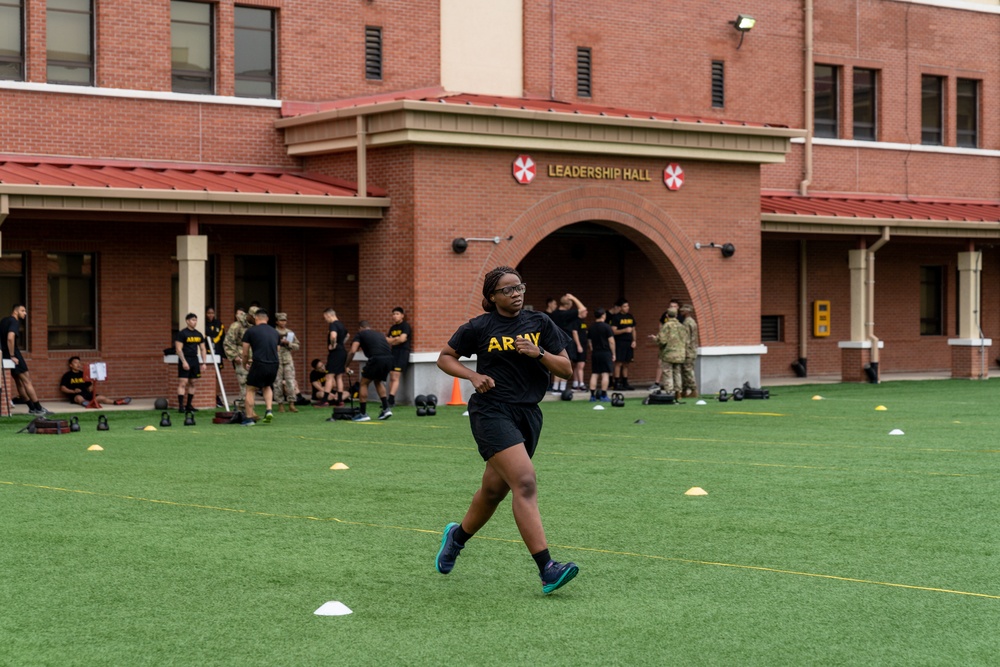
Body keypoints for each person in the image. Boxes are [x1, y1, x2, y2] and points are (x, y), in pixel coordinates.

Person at [435, 266, 579, 595]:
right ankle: (547, 569)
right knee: (525, 481)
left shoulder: (540, 323)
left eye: (519, 288)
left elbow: (567, 369)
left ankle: (457, 537)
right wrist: (471, 376)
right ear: (492, 297)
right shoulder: (479, 327)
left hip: (528, 414)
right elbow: (445, 358)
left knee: (493, 492)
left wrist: (538, 352)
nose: (517, 294)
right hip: (491, 411)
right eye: (508, 290)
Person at [0, 303, 50, 416]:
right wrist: (13, 355)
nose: (25, 313)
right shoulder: (14, 321)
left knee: (19, 381)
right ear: (16, 311)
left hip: (3, 355)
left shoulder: (3, 321)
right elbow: (10, 338)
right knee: (27, 381)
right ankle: (38, 408)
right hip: (13, 354)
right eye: (23, 311)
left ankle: (31, 407)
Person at [345, 320, 394, 421]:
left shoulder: (360, 334)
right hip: (389, 359)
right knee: (378, 381)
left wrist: (346, 365)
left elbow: (353, 351)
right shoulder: (379, 334)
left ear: (360, 328)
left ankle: (363, 414)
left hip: (376, 359)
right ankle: (386, 409)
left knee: (363, 383)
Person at [241, 309, 281, 425]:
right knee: (267, 386)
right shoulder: (275, 332)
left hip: (259, 363)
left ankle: (249, 418)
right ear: (267, 319)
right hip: (274, 363)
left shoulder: (250, 331)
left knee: (250, 388)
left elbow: (245, 352)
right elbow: (276, 350)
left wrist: (245, 364)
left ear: (256, 318)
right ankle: (269, 410)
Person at [59, 356, 131, 407]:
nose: (78, 364)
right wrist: (73, 391)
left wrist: (92, 385)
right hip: (76, 395)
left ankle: (116, 402)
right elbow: (63, 388)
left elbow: (90, 387)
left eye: (79, 363)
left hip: (87, 394)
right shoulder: (67, 375)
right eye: (75, 363)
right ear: (71, 365)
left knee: (101, 398)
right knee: (79, 398)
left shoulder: (83, 374)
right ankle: (86, 403)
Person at [548, 293, 585, 393]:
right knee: (565, 364)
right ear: (568, 305)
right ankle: (562, 388)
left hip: (556, 341)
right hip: (566, 341)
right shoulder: (567, 313)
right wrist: (573, 297)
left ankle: (556, 387)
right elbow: (583, 309)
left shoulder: (554, 313)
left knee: (557, 363)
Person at [174, 312, 208, 413]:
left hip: (195, 360)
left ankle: (189, 405)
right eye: (193, 320)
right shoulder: (182, 333)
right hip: (185, 359)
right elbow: (178, 349)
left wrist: (204, 362)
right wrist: (184, 362)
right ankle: (181, 406)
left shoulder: (198, 334)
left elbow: (203, 349)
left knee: (193, 382)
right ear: (187, 321)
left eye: (196, 320)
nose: (195, 322)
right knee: (183, 383)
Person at [655, 307, 688, 398]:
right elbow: (686, 339)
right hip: (680, 354)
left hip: (669, 353)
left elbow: (662, 340)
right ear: (676, 315)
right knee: (677, 373)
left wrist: (655, 339)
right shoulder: (682, 326)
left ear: (667, 315)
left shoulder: (666, 325)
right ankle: (678, 392)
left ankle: (669, 392)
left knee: (667, 372)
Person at [223, 307, 250, 412]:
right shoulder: (236, 326)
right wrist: (235, 356)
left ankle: (248, 407)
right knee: (244, 383)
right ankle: (243, 409)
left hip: (253, 358)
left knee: (251, 385)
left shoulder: (252, 326)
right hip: (241, 357)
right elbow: (228, 342)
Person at [272, 313, 301, 413]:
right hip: (277, 359)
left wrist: (289, 343)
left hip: (288, 359)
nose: (283, 322)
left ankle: (291, 403)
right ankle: (280, 404)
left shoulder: (290, 333)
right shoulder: (273, 332)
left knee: (290, 381)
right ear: (277, 321)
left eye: (284, 320)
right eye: (281, 320)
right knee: (277, 382)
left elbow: (297, 346)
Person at [649, 299, 680, 391]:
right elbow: (661, 326)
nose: (672, 308)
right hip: (665, 345)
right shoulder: (665, 316)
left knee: (674, 367)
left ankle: (674, 388)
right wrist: (659, 336)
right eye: (671, 306)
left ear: (678, 307)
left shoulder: (680, 318)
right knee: (661, 363)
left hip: (675, 346)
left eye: (674, 306)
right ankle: (657, 383)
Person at [385, 306, 411, 408]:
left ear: (402, 316)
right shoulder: (392, 328)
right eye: (393, 314)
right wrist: (396, 339)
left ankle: (391, 399)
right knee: (391, 375)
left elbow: (402, 339)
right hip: (393, 353)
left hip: (402, 353)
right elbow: (387, 340)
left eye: (397, 314)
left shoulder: (405, 326)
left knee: (395, 375)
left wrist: (394, 340)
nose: (395, 316)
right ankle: (391, 399)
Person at [588, 308, 615, 402]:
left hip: (595, 353)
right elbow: (611, 342)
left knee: (594, 374)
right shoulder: (607, 327)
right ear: (603, 315)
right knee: (605, 374)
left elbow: (590, 342)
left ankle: (592, 396)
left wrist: (593, 350)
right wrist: (613, 353)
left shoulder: (591, 327)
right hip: (605, 352)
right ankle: (603, 395)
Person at [322, 308, 349, 406]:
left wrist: (333, 345)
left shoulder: (333, 324)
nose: (325, 319)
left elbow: (333, 336)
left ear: (329, 315)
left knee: (329, 376)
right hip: (342, 352)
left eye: (325, 317)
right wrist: (341, 344)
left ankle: (324, 400)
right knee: (339, 376)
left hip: (335, 353)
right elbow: (348, 335)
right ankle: (340, 400)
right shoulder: (341, 325)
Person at [610, 299, 637, 390]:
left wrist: (634, 340)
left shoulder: (630, 316)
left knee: (626, 363)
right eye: (625, 306)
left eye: (628, 306)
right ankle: (617, 382)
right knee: (619, 363)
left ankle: (625, 382)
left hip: (629, 342)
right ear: (620, 308)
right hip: (620, 342)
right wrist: (624, 330)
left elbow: (633, 329)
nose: (627, 308)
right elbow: (613, 331)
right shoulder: (616, 317)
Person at [205, 307, 226, 407]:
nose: (210, 315)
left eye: (212, 313)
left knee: (218, 375)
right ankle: (208, 396)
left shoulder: (219, 324)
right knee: (208, 374)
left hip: (217, 352)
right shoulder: (203, 324)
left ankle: (217, 396)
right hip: (207, 352)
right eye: (208, 313)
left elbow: (221, 338)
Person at [680, 304, 700, 397]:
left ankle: (693, 389)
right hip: (692, 349)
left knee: (687, 370)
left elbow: (686, 338)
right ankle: (685, 390)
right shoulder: (692, 321)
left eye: (683, 310)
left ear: (687, 311)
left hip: (688, 350)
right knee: (685, 370)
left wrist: (683, 349)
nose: (681, 311)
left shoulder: (687, 322)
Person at [571, 306, 589, 391]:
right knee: (581, 365)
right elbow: (574, 333)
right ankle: (581, 383)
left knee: (578, 365)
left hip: (583, 346)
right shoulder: (576, 321)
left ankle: (575, 383)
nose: (586, 313)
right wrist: (578, 345)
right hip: (579, 346)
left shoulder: (583, 322)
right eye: (585, 311)